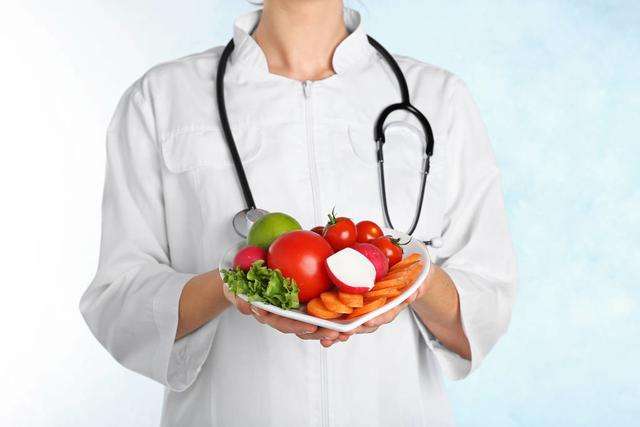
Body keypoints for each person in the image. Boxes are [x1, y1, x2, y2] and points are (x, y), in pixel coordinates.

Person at [80, 1, 517, 425]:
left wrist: (410, 282)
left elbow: (483, 312)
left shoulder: (439, 99)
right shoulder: (162, 99)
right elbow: (119, 302)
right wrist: (233, 286)